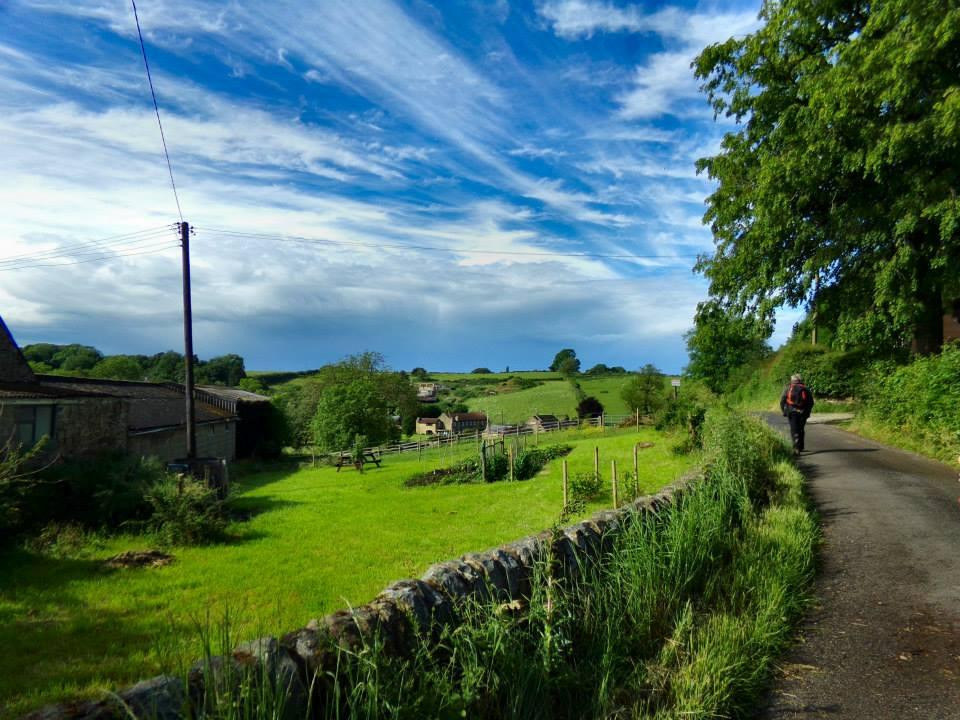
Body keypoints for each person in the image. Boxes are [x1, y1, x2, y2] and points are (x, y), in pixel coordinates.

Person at [780, 374, 814, 453]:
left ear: (792, 381)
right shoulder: (805, 389)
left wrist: (784, 411)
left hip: (791, 412)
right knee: (801, 429)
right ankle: (801, 447)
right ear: (800, 380)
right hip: (803, 412)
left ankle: (796, 447)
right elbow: (811, 402)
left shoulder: (788, 388)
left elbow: (782, 401)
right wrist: (807, 412)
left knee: (794, 429)